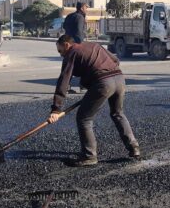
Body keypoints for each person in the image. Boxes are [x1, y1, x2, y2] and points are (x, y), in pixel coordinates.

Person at [47, 35, 141, 167]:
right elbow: (115, 60)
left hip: (103, 83)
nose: (61, 54)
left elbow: (64, 81)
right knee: (118, 113)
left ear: (67, 45)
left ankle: (89, 156)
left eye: (60, 51)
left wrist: (56, 109)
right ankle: (134, 147)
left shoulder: (71, 53)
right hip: (119, 79)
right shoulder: (94, 45)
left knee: (84, 118)